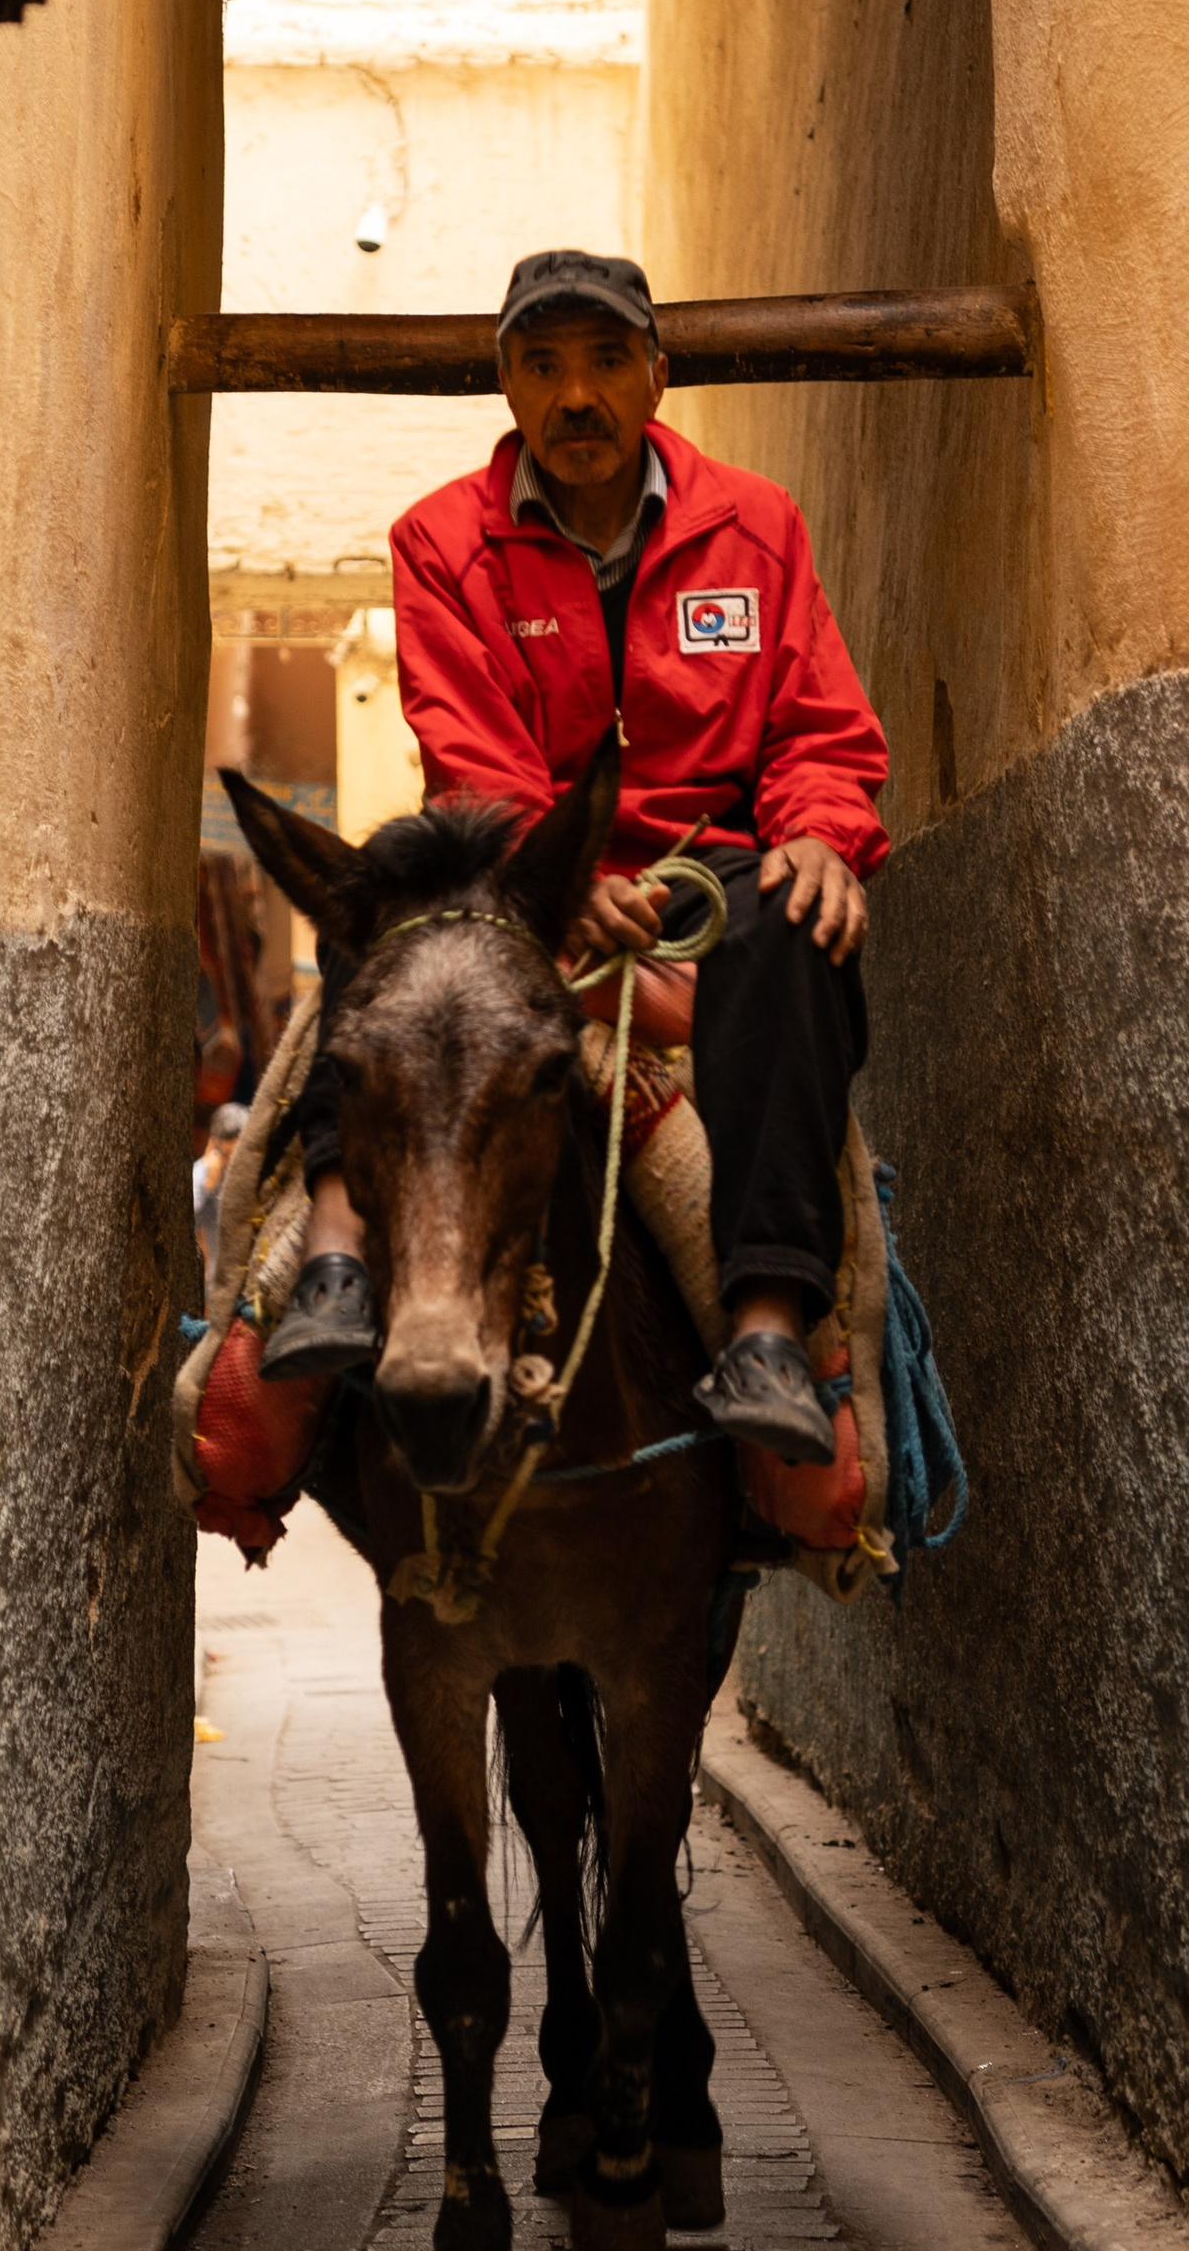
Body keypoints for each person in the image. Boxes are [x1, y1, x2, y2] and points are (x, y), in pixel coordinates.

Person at [260, 246, 888, 1464]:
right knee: (384, 901)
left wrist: (818, 829)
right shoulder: (442, 542)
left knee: (798, 922)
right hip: (528, 889)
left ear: (657, 375)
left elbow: (817, 724)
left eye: (606, 361)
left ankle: (764, 1324)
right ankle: (337, 1240)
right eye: (541, 367)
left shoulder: (756, 529)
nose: (576, 396)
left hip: (710, 902)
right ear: (506, 387)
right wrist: (558, 875)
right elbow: (470, 746)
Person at [194, 1100, 248, 1296]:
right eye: (227, 1154)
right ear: (214, 1146)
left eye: (239, 1154)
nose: (233, 1162)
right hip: (220, 1287)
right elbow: (182, 1226)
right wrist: (206, 1186)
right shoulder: (204, 1172)